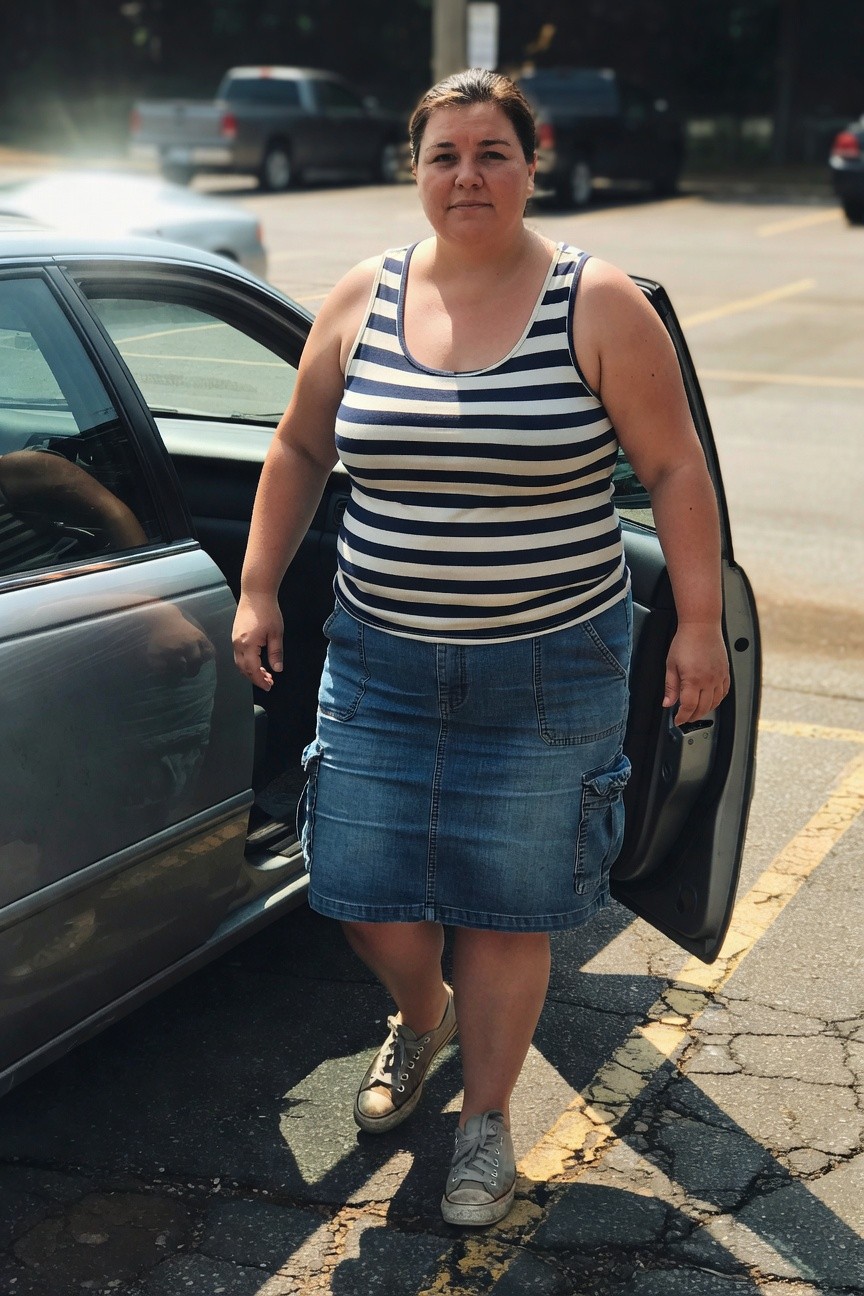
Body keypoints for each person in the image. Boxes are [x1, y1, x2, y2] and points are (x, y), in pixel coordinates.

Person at [232, 68, 730, 1228]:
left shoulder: (594, 302)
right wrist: (260, 587)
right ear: (416, 171)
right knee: (359, 887)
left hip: (550, 663)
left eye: (491, 153)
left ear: (530, 165)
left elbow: (673, 471)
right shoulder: (364, 293)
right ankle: (423, 1018)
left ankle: (486, 1123)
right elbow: (301, 448)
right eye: (445, 154)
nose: (468, 175)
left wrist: (698, 622)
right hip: (378, 658)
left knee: (509, 905)